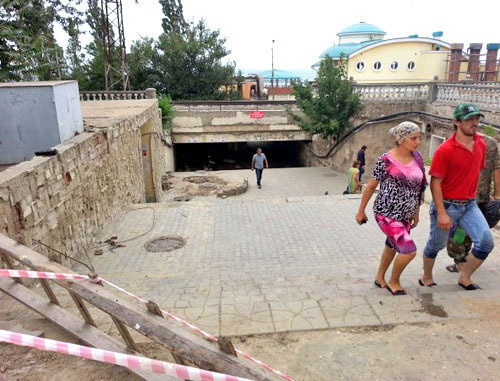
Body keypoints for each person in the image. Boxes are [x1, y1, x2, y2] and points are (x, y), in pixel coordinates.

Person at [421, 103, 494, 291]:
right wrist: (442, 212)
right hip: (447, 206)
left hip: (470, 205)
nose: (475, 122)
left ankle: (464, 276)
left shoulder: (481, 144)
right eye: (469, 119)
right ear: (457, 122)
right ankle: (426, 276)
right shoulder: (445, 150)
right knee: (436, 244)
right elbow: (435, 183)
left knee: (485, 242)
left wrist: (473, 198)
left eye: (477, 118)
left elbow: (476, 172)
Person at [355, 122, 427, 295]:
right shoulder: (385, 160)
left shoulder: (417, 158)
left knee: (392, 245)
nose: (417, 142)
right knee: (409, 251)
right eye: (413, 138)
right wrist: (361, 211)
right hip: (386, 213)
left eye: (419, 138)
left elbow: (420, 187)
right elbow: (371, 186)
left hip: (406, 214)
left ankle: (380, 276)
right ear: (401, 139)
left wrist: (416, 212)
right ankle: (394, 281)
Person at [445, 133, 500, 273]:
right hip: (480, 197)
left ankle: (460, 261)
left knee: (459, 231)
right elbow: (497, 169)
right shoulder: (491, 142)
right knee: (467, 231)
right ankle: (463, 260)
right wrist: (497, 193)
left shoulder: (457, 141)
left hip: (461, 197)